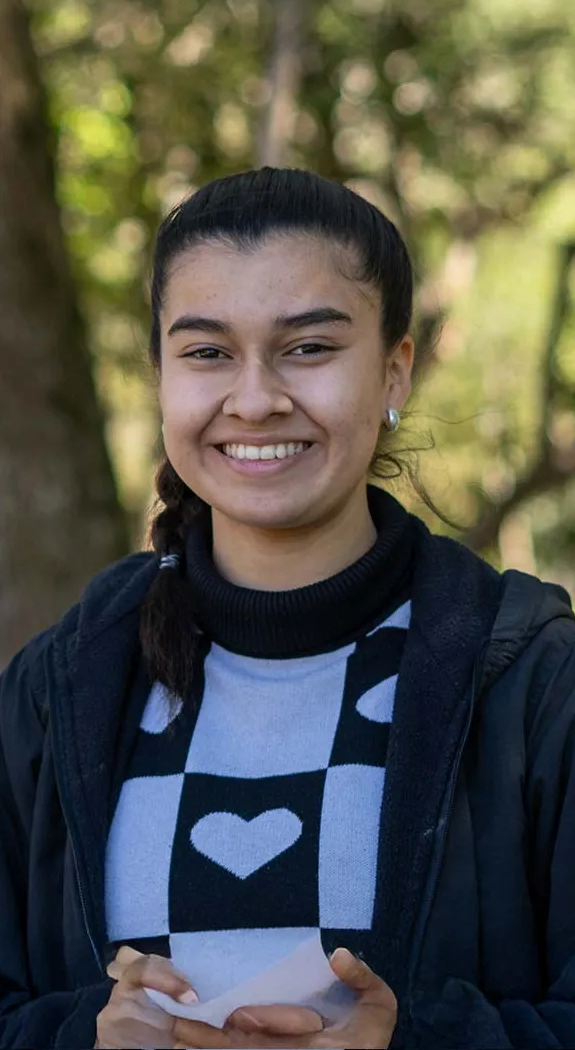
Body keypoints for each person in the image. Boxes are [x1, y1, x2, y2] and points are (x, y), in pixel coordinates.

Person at [1, 166, 574, 1050]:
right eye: (205, 352)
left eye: (308, 348)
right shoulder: (56, 691)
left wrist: (408, 1041)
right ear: (159, 375)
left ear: (394, 372)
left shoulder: (534, 683)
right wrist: (87, 1035)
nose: (257, 396)